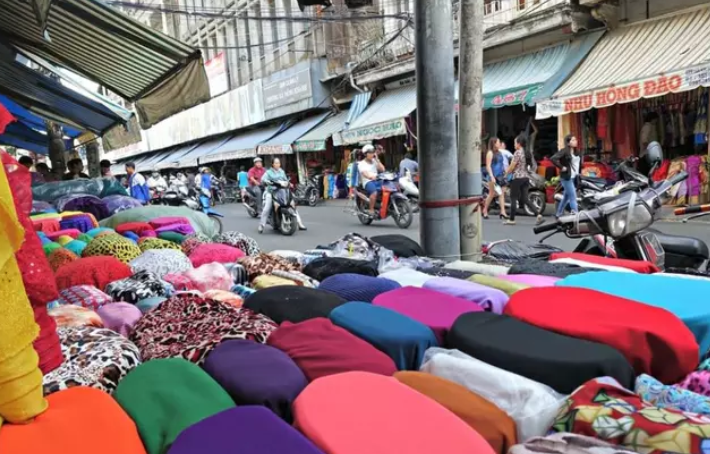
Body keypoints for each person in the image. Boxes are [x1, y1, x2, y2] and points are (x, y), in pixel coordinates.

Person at [504, 135, 543, 226]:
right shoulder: (527, 153)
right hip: (526, 178)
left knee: (513, 198)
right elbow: (533, 166)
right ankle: (538, 215)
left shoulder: (517, 152)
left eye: (515, 143)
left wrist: (506, 174)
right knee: (525, 199)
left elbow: (512, 166)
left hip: (517, 178)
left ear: (519, 143)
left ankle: (512, 219)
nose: (514, 145)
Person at [259, 158, 306, 233]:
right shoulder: (268, 172)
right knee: (267, 208)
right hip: (271, 191)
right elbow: (262, 179)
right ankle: (262, 225)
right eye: (276, 163)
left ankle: (300, 223)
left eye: (279, 163)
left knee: (292, 205)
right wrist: (266, 181)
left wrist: (289, 183)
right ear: (272, 164)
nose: (278, 164)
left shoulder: (281, 171)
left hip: (282, 191)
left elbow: (285, 179)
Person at [551, 134, 580, 218]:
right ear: (568, 142)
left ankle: (558, 213)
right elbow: (553, 158)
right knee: (573, 196)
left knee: (566, 197)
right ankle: (576, 214)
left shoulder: (577, 151)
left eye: (575, 140)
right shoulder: (564, 151)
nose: (575, 141)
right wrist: (561, 167)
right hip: (566, 177)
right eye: (573, 140)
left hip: (574, 176)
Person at [482, 137, 508, 219]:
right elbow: (488, 166)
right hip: (493, 176)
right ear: (494, 143)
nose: (499, 143)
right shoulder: (490, 153)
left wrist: (505, 172)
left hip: (500, 176)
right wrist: (491, 176)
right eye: (498, 142)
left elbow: (501, 164)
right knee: (492, 193)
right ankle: (485, 209)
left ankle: (503, 212)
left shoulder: (499, 152)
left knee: (501, 193)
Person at [358, 144, 385, 218]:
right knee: (374, 192)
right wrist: (370, 177)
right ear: (366, 154)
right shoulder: (361, 164)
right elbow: (364, 173)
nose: (372, 154)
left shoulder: (374, 161)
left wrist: (377, 160)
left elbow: (382, 169)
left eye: (373, 152)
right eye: (370, 153)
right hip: (368, 182)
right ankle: (371, 209)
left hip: (378, 180)